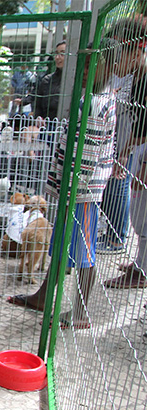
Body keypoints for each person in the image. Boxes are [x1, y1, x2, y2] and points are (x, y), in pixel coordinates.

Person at [7, 40, 119, 329]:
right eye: (82, 62)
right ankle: (44, 295)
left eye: (93, 62)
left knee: (83, 250)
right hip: (72, 190)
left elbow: (88, 155)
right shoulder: (89, 97)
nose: (84, 69)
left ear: (110, 66)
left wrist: (70, 187)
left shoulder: (97, 102)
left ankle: (81, 312)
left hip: (82, 192)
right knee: (60, 244)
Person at [99, 19, 147, 255]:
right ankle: (140, 263)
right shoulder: (134, 79)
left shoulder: (143, 79)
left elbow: (142, 128)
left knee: (137, 202)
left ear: (136, 51)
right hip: (133, 148)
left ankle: (123, 246)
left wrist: (133, 156)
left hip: (140, 153)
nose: (115, 62)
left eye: (119, 54)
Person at [31, 40, 66, 122]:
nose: (57, 57)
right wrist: (39, 118)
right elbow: (38, 105)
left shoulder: (79, 81)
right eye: (56, 53)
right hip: (48, 126)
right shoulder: (47, 80)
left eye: (62, 53)